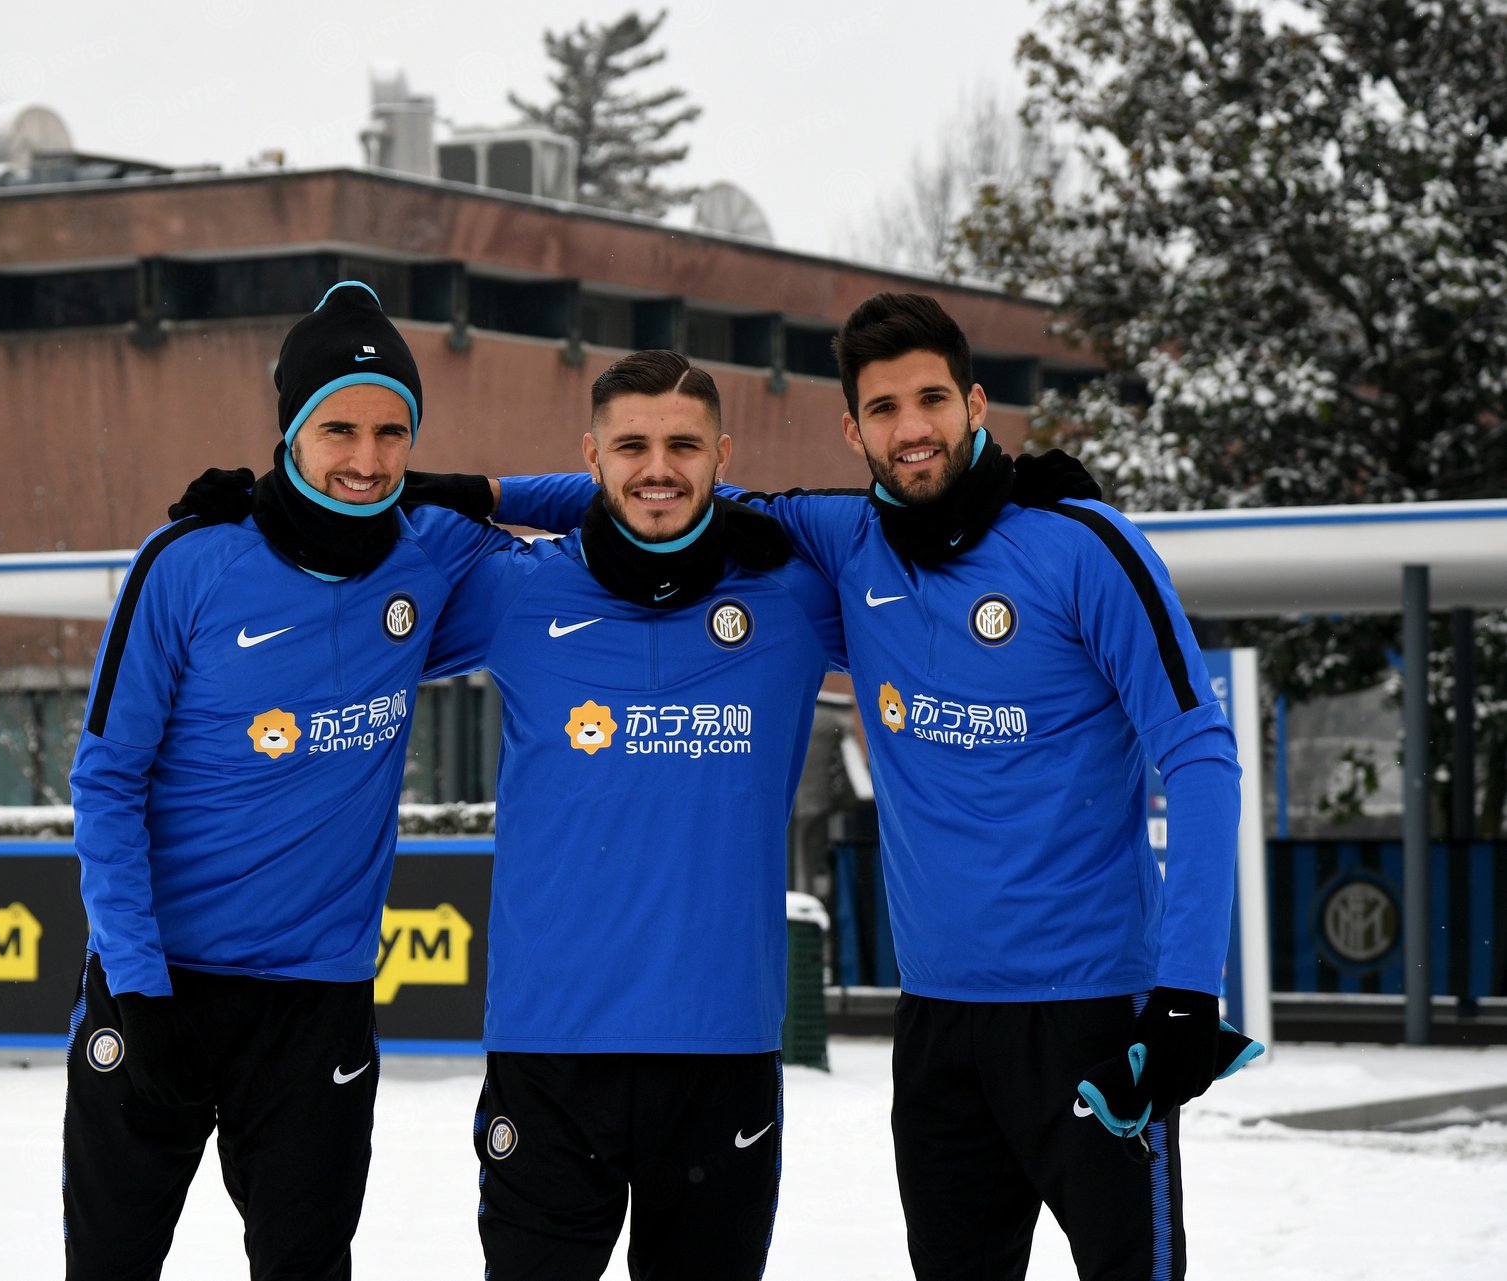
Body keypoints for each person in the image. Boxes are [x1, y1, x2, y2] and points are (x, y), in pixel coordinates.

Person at [495, 294, 1261, 1280]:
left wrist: (1189, 989)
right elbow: (660, 491)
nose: (912, 428)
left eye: (932, 399)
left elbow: (1199, 756)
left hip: (1094, 1009)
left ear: (974, 405)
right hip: (937, 1020)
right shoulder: (845, 542)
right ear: (854, 430)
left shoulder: (1084, 546)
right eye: (884, 409)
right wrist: (474, 490)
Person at [63, 280, 508, 1281]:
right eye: (339, 428)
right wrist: (139, 990)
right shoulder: (188, 561)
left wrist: (481, 490)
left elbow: (604, 521)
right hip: (160, 987)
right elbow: (106, 782)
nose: (367, 459)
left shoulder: (430, 554)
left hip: (317, 1004)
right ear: (291, 429)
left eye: (393, 433)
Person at [420, 351, 845, 1280]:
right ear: (590, 457)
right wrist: (249, 513)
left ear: (723, 455)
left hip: (721, 1044)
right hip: (548, 1044)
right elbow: (343, 565)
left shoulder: (794, 593)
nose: (659, 468)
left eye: (684, 445)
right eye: (631, 447)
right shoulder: (515, 590)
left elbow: (924, 547)